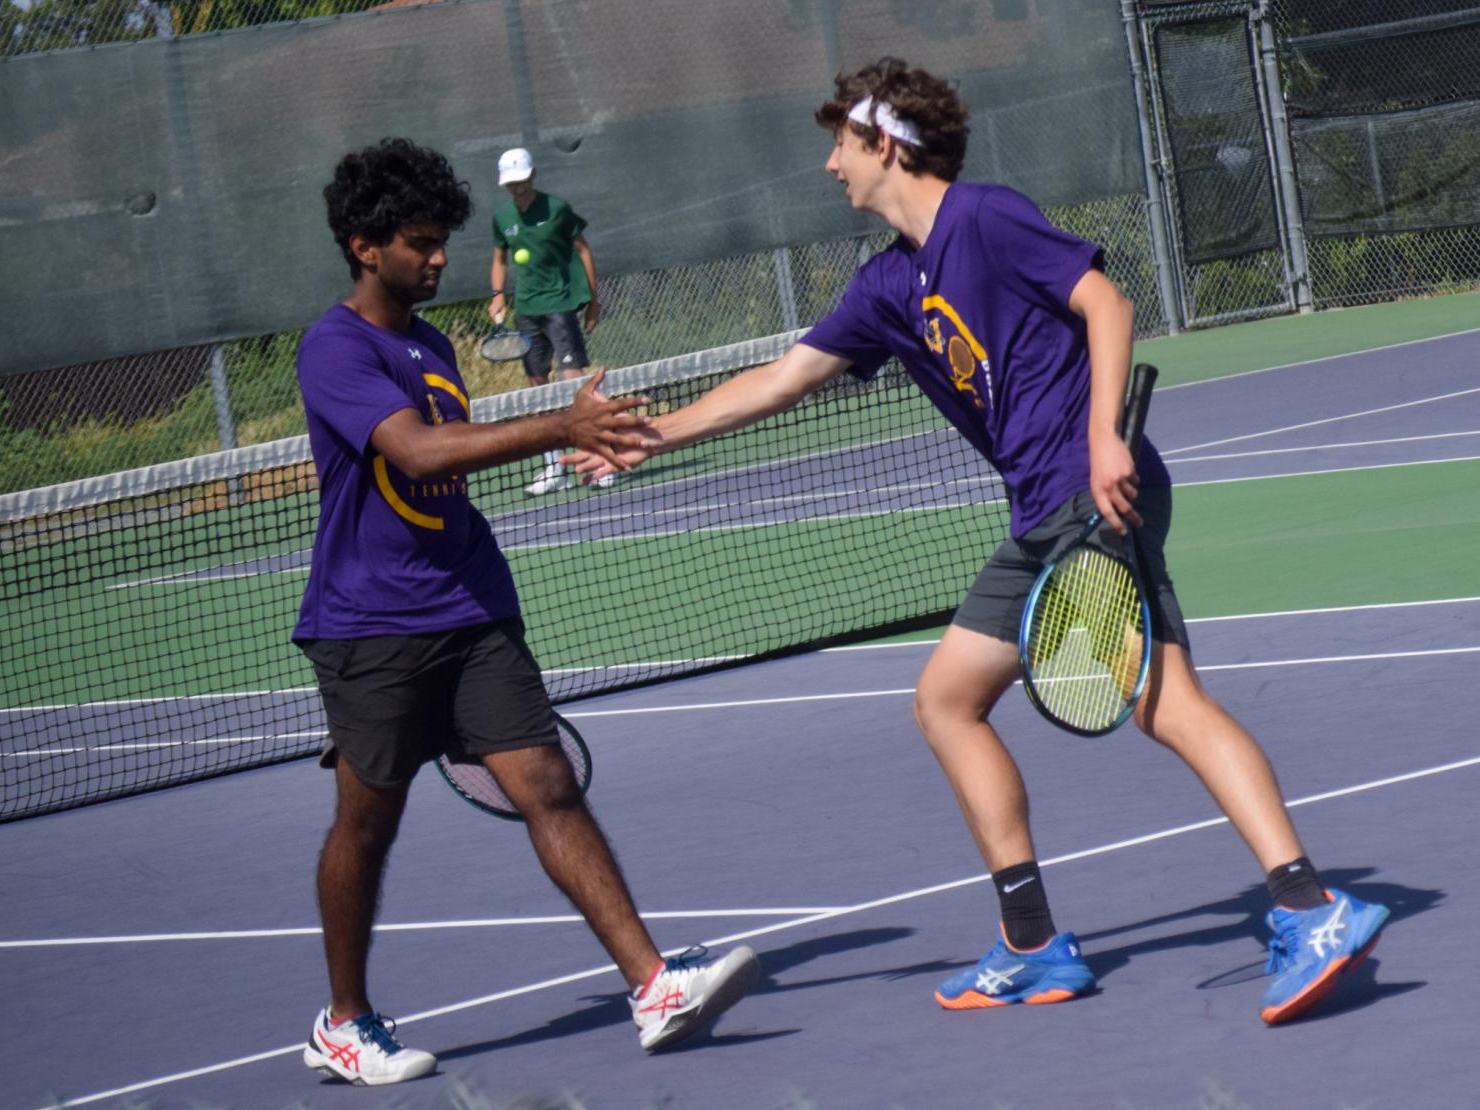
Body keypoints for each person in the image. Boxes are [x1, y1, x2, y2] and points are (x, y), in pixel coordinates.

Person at [568, 59, 1388, 1027]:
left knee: (1165, 706)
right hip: (1041, 518)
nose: (830, 165)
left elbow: (1107, 305)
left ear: (883, 142)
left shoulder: (985, 219)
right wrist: (646, 438)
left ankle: (1309, 906)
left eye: (840, 143)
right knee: (947, 701)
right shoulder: (885, 285)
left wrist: (1101, 439)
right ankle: (1035, 945)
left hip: (1089, 498)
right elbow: (781, 381)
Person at [294, 137, 758, 1086]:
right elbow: (418, 456)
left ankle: (652, 985)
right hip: (370, 627)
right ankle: (344, 1021)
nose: (439, 260)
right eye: (420, 243)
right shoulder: (335, 347)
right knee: (367, 824)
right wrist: (561, 424)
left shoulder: (428, 342)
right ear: (363, 244)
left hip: (470, 606)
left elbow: (447, 454)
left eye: (442, 243)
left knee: (545, 780)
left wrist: (560, 430)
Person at [488, 146, 613, 495]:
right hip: (526, 311)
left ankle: (598, 460)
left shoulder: (557, 209)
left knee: (574, 388)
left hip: (560, 305)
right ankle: (554, 468)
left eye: (522, 180)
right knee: (537, 392)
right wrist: (497, 294)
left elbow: (583, 250)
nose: (517, 188)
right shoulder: (502, 217)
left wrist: (593, 302)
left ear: (534, 175)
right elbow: (499, 259)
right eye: (511, 183)